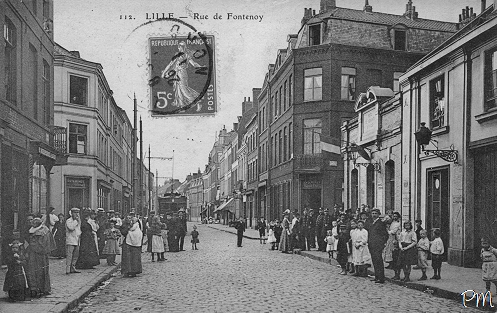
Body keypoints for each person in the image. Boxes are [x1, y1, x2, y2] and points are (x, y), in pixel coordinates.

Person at [161, 41, 205, 109]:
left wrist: (201, 67)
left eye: (182, 47)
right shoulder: (177, 55)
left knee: (184, 90)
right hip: (177, 73)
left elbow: (193, 63)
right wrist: (164, 72)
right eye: (180, 47)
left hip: (182, 73)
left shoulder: (187, 55)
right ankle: (182, 105)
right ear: (178, 47)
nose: (181, 48)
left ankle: (197, 102)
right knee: (179, 90)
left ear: (184, 48)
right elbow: (170, 64)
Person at [26, 217, 55, 296]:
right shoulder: (45, 230)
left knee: (38, 271)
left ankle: (39, 288)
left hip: (38, 254)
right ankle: (40, 288)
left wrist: (29, 246)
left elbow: (40, 245)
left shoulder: (41, 232)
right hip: (39, 254)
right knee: (39, 271)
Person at [368, 208, 388, 283]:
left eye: (375, 213)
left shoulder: (381, 223)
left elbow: (385, 235)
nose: (374, 215)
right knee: (374, 261)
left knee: (378, 261)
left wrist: (382, 243)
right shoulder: (371, 223)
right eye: (373, 213)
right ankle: (377, 277)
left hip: (377, 245)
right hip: (371, 244)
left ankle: (381, 278)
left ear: (378, 215)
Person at [66, 208, 82, 274]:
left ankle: (73, 268)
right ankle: (68, 269)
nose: (77, 214)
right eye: (75, 213)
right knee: (69, 255)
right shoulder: (69, 220)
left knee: (75, 255)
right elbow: (71, 228)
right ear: (72, 213)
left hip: (77, 239)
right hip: (70, 240)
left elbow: (78, 229)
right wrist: (76, 221)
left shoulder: (78, 220)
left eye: (77, 213)